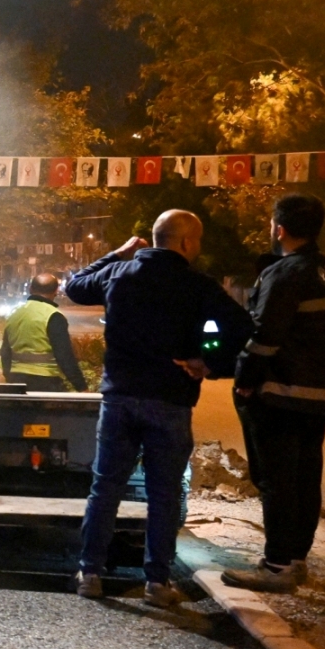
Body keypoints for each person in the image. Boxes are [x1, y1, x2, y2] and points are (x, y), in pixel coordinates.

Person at [64, 210, 253, 606]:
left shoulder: (119, 273)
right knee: (163, 494)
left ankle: (91, 572)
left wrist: (116, 253)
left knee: (105, 487)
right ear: (185, 242)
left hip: (119, 399)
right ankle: (156, 582)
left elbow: (75, 287)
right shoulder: (197, 284)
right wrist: (209, 362)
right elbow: (240, 325)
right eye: (197, 241)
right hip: (170, 400)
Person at [223, 193, 325, 593]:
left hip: (282, 392)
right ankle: (296, 559)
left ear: (279, 229)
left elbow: (264, 338)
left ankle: (277, 564)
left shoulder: (283, 274)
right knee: (305, 476)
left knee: (277, 479)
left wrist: (244, 378)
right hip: (324, 396)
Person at [0, 272, 88, 391]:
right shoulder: (54, 316)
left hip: (17, 380)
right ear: (56, 291)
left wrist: (9, 378)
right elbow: (64, 355)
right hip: (47, 383)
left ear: (30, 289)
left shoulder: (15, 314)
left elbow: (5, 352)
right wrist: (81, 387)